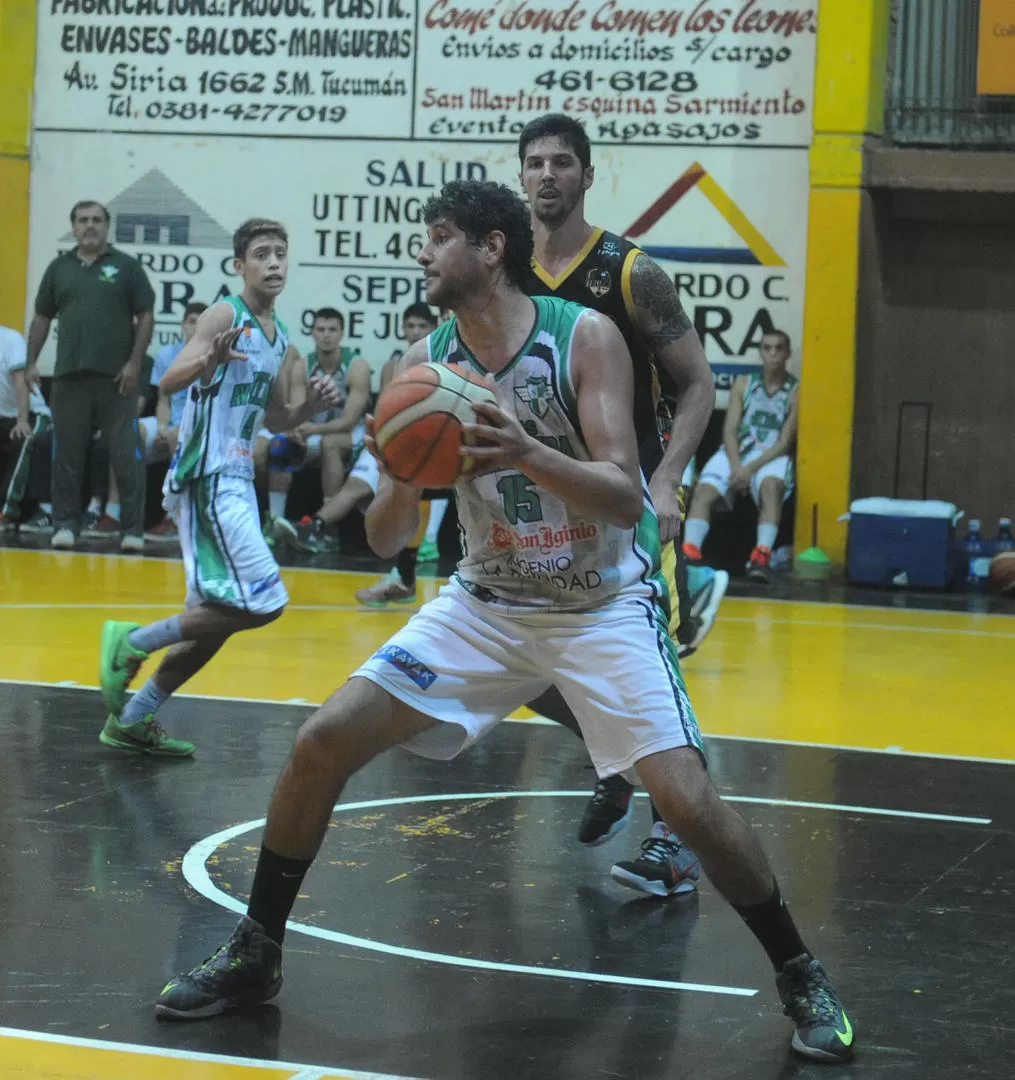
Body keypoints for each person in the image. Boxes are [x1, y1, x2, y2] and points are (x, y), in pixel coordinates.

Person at [155, 181, 853, 1065]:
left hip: (598, 607)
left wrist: (524, 449)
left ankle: (798, 970)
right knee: (320, 741)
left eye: (438, 237)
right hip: (482, 605)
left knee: (684, 797)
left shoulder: (581, 337)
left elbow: (622, 492)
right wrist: (404, 474)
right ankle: (257, 952)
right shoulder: (425, 363)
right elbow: (387, 541)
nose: (422, 252)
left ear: (490, 249)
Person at [515, 113, 726, 892]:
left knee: (648, 678)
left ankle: (674, 843)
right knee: (516, 664)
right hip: (532, 506)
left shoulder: (628, 271)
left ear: (586, 176)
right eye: (534, 163)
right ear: (520, 177)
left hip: (620, 501)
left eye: (561, 163)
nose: (546, 175)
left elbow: (699, 384)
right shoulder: (503, 269)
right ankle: (615, 760)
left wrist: (665, 480)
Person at [97, 218, 340, 757]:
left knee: (214, 623)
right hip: (208, 476)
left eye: (280, 252)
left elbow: (276, 418)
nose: (274, 262)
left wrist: (311, 409)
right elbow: (168, 380)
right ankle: (131, 642)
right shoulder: (225, 313)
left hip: (234, 479)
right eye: (262, 254)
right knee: (266, 601)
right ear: (240, 266)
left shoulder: (277, 338)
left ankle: (133, 719)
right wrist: (208, 357)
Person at [25, 200, 154, 552]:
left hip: (117, 380)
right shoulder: (58, 269)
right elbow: (41, 318)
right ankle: (65, 525)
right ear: (74, 227)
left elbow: (145, 315)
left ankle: (132, 530)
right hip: (68, 377)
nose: (90, 226)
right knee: (66, 455)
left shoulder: (126, 267)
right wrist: (31, 361)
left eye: (97, 220)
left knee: (126, 455)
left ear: (107, 226)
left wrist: (134, 364)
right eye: (83, 220)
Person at [682, 330, 799, 583]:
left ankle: (761, 556)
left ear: (788, 353)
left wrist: (749, 470)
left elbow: (785, 442)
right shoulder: (744, 384)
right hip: (737, 452)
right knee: (705, 489)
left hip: (770, 455)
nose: (773, 354)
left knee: (771, 486)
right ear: (760, 352)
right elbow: (730, 430)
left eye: (778, 348)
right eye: (767, 348)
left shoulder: (795, 390)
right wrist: (737, 466)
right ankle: (690, 551)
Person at [87, 304, 208, 541]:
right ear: (183, 325)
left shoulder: (215, 357)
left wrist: (175, 431)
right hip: (170, 423)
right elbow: (164, 401)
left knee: (178, 437)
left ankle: (174, 519)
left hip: (200, 428)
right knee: (128, 431)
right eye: (192, 321)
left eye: (202, 322)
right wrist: (162, 428)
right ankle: (114, 513)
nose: (196, 327)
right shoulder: (167, 355)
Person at [355, 302, 446, 606]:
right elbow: (387, 410)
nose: (417, 331)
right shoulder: (401, 362)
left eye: (423, 325)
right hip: (416, 438)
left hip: (451, 435)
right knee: (415, 488)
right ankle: (405, 575)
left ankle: (410, 570)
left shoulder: (450, 351)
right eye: (411, 325)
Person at [257, 307, 370, 549]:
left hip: (348, 434)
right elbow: (298, 411)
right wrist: (297, 430)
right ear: (313, 334)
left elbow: (350, 421)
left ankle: (326, 529)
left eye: (332, 330)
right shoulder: (302, 365)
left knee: (330, 444)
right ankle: (276, 521)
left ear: (342, 334)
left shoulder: (356, 366)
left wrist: (311, 430)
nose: (326, 335)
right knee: (281, 444)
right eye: (321, 329)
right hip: (314, 431)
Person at [0, 324, 52, 529]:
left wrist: (22, 420)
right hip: (3, 415)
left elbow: (21, 382)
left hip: (31, 411)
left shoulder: (9, 339)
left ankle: (8, 512)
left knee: (23, 439)